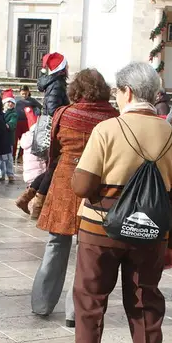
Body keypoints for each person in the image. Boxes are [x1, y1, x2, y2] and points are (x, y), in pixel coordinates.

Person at [53, 61, 172, 343]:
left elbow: (83, 185)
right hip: (151, 236)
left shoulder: (108, 129)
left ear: (127, 92)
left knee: (89, 305)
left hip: (100, 231)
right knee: (145, 307)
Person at [31, 68, 118, 326]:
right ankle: (74, 312)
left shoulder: (64, 114)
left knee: (55, 244)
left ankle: (42, 303)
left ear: (75, 90)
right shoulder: (113, 117)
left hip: (65, 183)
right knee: (86, 249)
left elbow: (52, 150)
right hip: (96, 185)